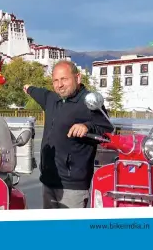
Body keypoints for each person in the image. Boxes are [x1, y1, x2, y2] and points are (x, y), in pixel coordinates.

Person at [24, 61, 113, 209]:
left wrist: (87, 127)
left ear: (77, 78)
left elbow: (107, 130)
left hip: (73, 186)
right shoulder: (51, 99)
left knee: (70, 230)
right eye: (55, 81)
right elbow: (35, 91)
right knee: (50, 229)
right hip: (48, 179)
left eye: (64, 79)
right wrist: (27, 88)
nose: (59, 85)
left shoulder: (89, 102)